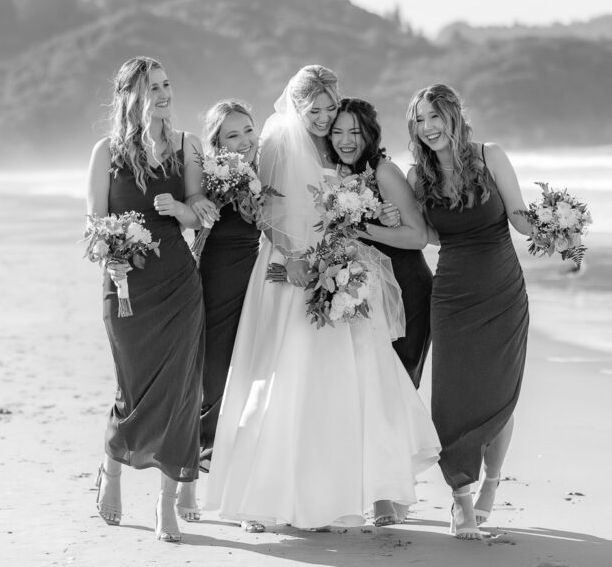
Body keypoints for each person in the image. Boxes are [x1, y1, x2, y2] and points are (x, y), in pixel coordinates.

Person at [204, 65, 440, 530]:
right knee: (284, 376)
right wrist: (292, 258)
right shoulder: (276, 140)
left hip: (334, 265)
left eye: (332, 107)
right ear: (297, 106)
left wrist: (373, 219)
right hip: (286, 273)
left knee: (350, 380)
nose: (325, 117)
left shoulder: (333, 146)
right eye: (317, 109)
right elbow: (264, 210)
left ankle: (346, 492)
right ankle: (264, 495)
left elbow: (348, 202)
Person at [86, 56, 205, 543]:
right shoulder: (105, 152)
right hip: (125, 290)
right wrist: (109, 257)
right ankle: (112, 470)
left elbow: (201, 213)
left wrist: (180, 208)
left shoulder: (186, 146)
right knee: (132, 390)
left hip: (178, 286)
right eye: (151, 87)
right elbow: (94, 222)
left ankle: (164, 503)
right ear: (129, 97)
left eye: (166, 84)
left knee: (179, 393)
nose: (163, 93)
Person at [405, 83, 531, 540]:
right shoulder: (418, 178)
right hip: (454, 294)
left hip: (502, 289)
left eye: (435, 116)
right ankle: (460, 501)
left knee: (499, 394)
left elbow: (518, 215)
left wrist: (556, 227)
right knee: (453, 398)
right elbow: (428, 236)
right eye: (420, 120)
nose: (428, 127)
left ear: (455, 115)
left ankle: (491, 484)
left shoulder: (489, 156)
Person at [184, 100, 266, 532]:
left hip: (255, 290)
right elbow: (187, 223)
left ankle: (244, 499)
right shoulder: (207, 177)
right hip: (212, 286)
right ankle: (187, 481)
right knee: (211, 386)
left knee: (248, 390)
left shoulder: (264, 174)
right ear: (217, 142)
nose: (245, 141)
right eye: (233, 135)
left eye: (249, 130)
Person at [328, 98, 433, 389]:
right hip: (371, 293)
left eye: (356, 132)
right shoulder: (341, 174)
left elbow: (418, 236)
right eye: (338, 132)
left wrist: (358, 230)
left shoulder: (383, 171)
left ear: (370, 134)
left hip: (407, 290)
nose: (346, 141)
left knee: (399, 384)